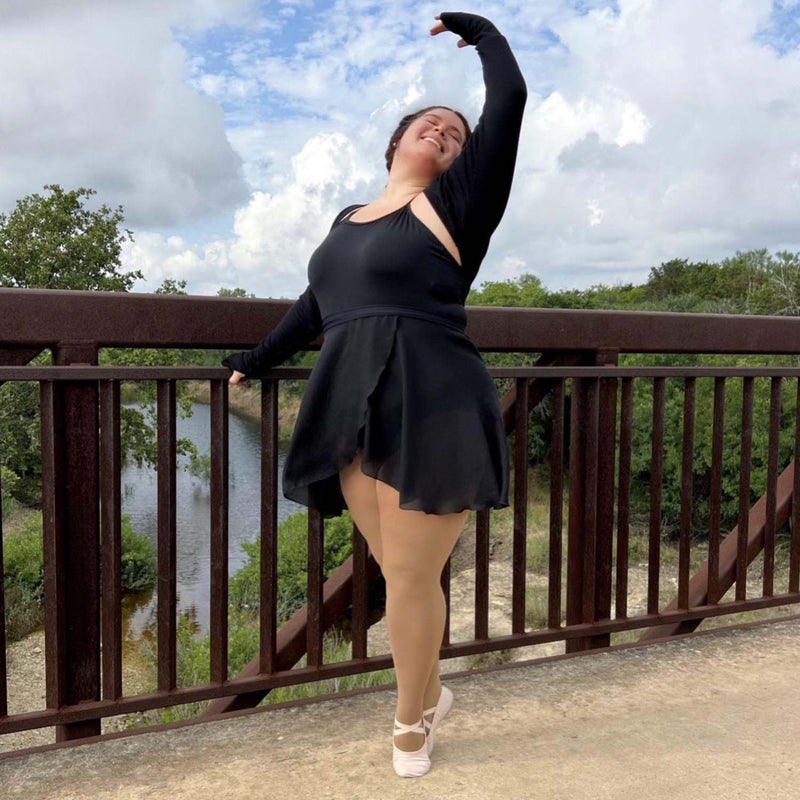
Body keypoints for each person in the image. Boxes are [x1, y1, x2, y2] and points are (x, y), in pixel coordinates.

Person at [222, 11, 527, 778]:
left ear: (461, 162)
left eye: (456, 133)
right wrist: (254, 360)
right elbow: (315, 306)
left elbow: (510, 99)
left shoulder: (457, 209)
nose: (443, 130)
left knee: (414, 579)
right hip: (350, 401)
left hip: (433, 398)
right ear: (395, 144)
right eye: (429, 123)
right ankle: (432, 694)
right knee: (400, 574)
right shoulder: (347, 220)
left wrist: (483, 34)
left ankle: (409, 725)